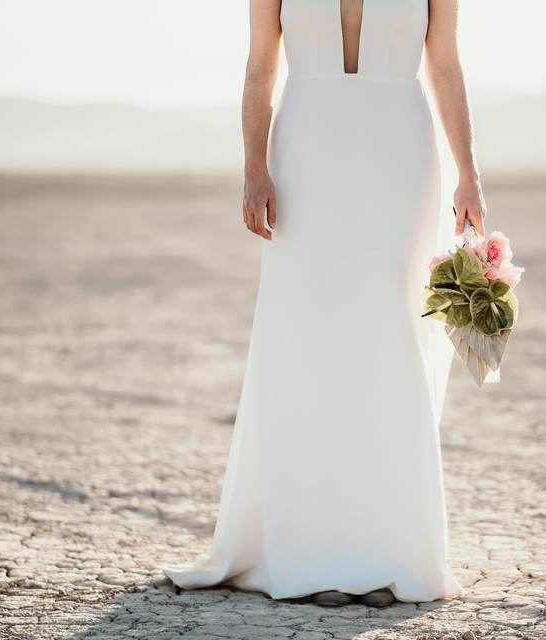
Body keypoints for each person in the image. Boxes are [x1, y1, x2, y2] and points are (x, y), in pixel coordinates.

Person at [162, 0, 487, 607]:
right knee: (306, 337)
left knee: (389, 338)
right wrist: (253, 167)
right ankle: (309, 552)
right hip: (305, 156)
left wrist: (468, 169)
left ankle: (389, 549)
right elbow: (261, 66)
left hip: (401, 156)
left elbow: (444, 66)